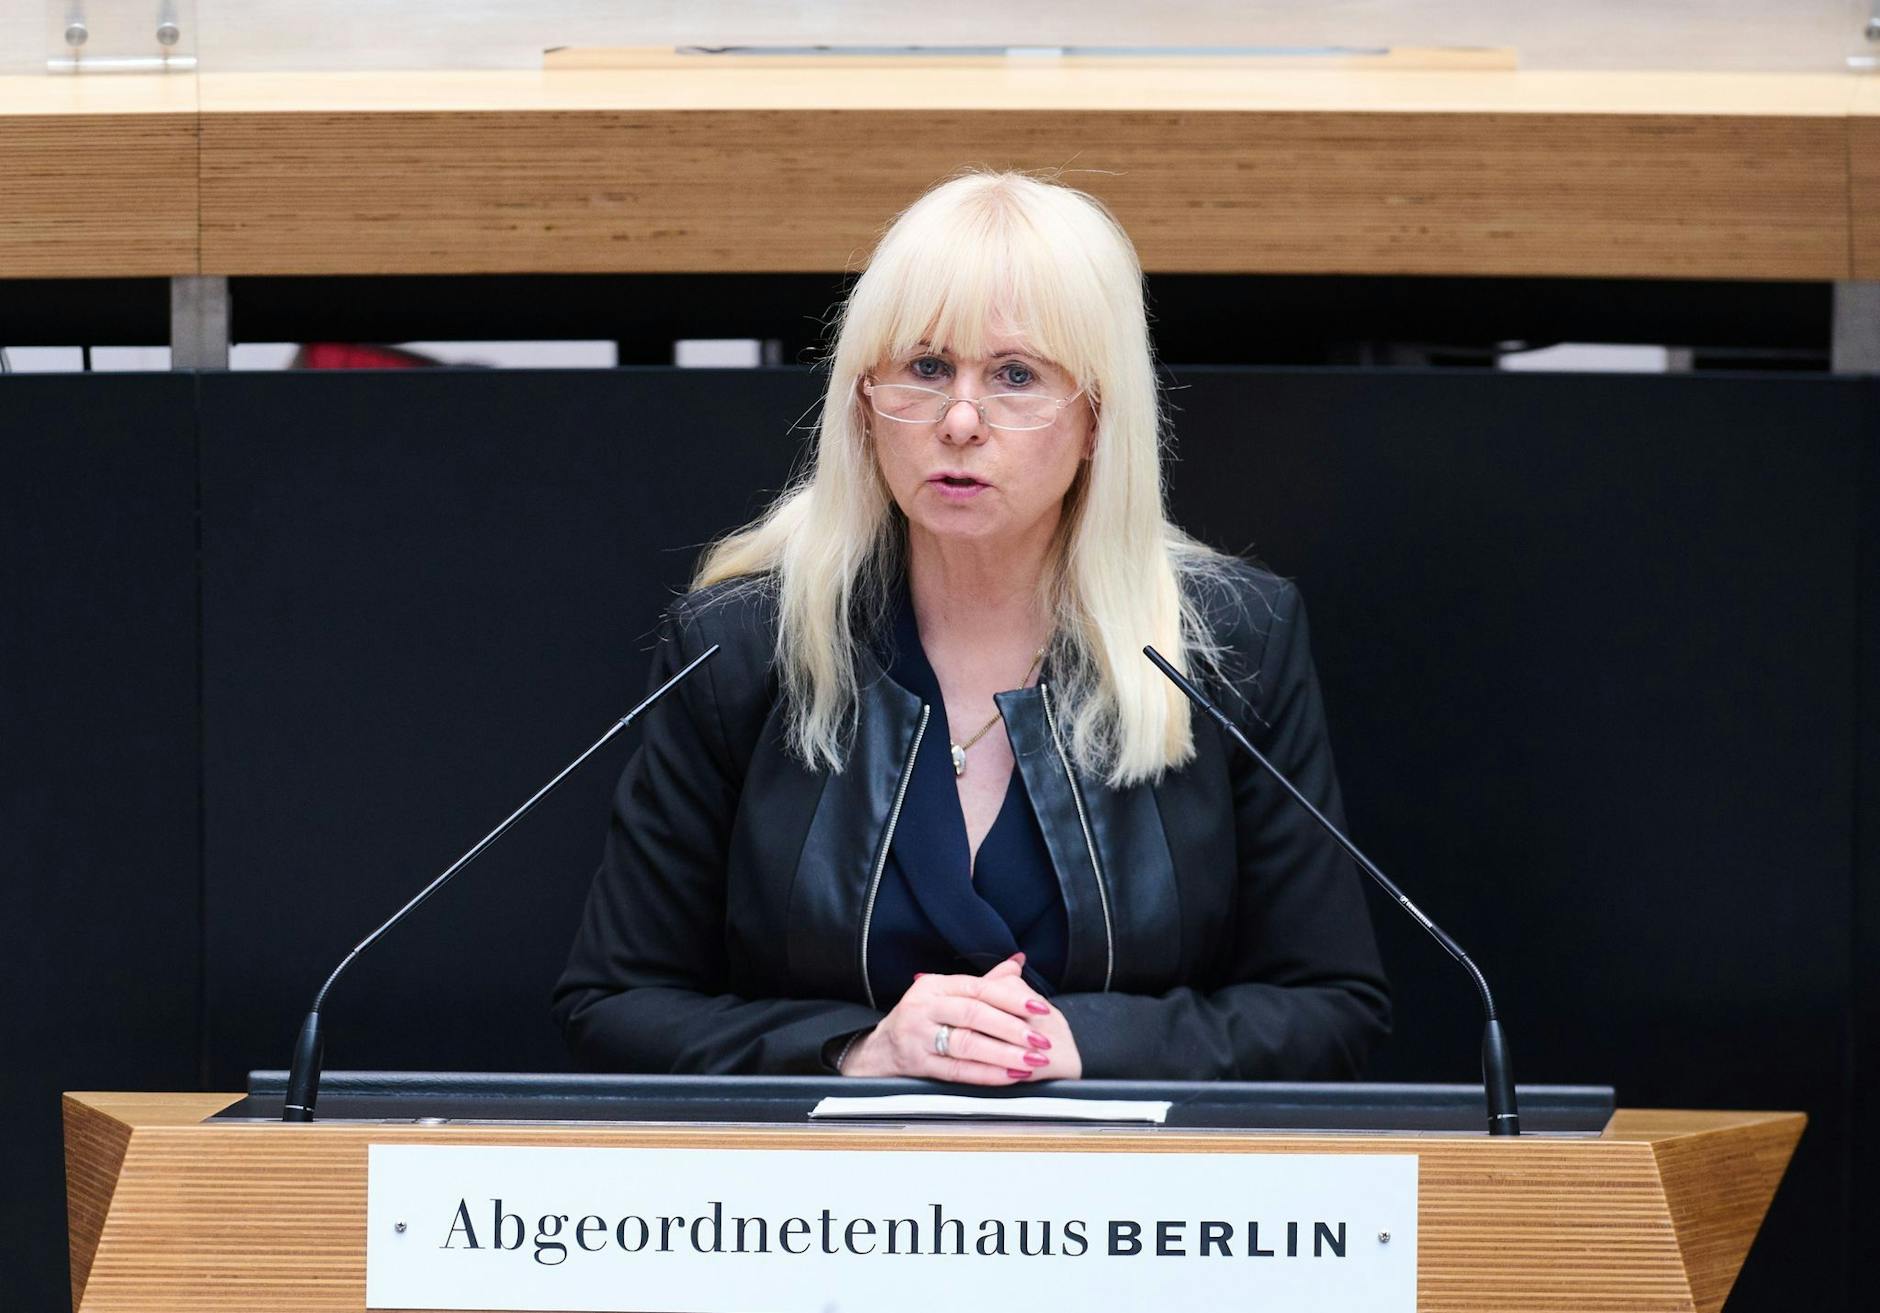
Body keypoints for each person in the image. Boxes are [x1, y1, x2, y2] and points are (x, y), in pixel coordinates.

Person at [552, 172, 1389, 1083]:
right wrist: (856, 1048)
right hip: (815, 1213)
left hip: (1136, 1207)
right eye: (925, 368)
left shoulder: (1226, 645)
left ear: (1098, 419)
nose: (959, 420)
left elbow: (1330, 1005)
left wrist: (1090, 1044)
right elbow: (615, 1003)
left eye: (1017, 376)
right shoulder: (746, 646)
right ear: (864, 403)